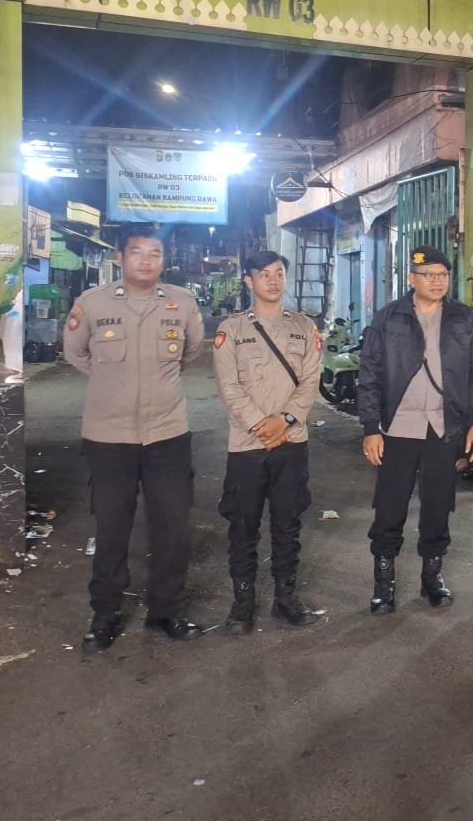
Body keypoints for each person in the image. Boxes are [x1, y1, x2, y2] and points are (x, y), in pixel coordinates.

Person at [64, 226, 206, 652]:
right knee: (112, 529)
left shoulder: (182, 303)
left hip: (167, 434)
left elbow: (190, 353)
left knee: (173, 528)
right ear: (121, 258)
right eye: (137, 252)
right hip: (109, 436)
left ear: (164, 260)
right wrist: (113, 382)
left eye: (155, 253)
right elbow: (76, 353)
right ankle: (105, 613)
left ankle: (167, 610)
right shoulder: (93, 303)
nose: (146, 261)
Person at [358, 245, 473, 614]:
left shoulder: (462, 318)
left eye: (442, 275)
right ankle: (384, 584)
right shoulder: (390, 318)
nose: (436, 281)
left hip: (444, 429)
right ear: (412, 279)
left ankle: (432, 577)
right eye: (428, 275)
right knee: (390, 506)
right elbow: (369, 374)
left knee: (438, 504)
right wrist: (370, 427)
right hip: (398, 428)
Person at [212, 250, 323, 634]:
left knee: (287, 524)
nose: (273, 281)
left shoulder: (304, 327)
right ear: (249, 281)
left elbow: (311, 381)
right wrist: (262, 424)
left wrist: (286, 420)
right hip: (247, 444)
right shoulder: (231, 329)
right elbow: (228, 386)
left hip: (292, 442)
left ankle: (285, 598)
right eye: (264, 274)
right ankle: (242, 604)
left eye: (279, 273)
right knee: (242, 526)